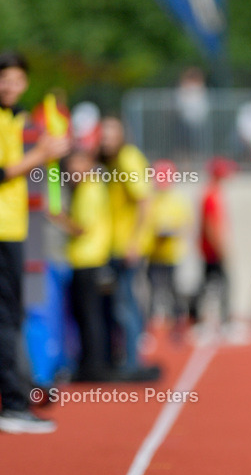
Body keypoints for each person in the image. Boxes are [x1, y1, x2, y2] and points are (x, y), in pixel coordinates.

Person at [0, 51, 69, 433]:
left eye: (16, 79)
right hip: (4, 230)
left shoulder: (17, 117)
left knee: (12, 316)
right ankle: (12, 404)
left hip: (14, 228)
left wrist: (46, 145)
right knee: (7, 319)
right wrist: (40, 154)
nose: (10, 85)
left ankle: (16, 396)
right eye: (3, 78)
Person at [98, 116, 159, 380]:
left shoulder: (127, 158)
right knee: (123, 303)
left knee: (126, 305)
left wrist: (134, 242)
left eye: (111, 134)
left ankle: (132, 362)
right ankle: (128, 358)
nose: (106, 139)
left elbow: (144, 201)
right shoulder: (114, 160)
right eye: (103, 134)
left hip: (126, 246)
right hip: (117, 244)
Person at [51, 149, 112, 381]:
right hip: (86, 259)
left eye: (78, 162)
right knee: (86, 315)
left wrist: (58, 217)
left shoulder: (89, 189)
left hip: (88, 259)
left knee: (89, 316)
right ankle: (90, 363)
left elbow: (81, 228)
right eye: (70, 164)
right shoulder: (88, 187)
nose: (72, 169)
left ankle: (92, 366)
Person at [147, 160, 193, 332]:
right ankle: (152, 327)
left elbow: (185, 225)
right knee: (153, 292)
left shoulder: (178, 200)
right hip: (154, 254)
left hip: (172, 255)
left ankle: (179, 323)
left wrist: (171, 231)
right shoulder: (151, 199)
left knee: (174, 291)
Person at [189, 157, 232, 330]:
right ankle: (222, 319)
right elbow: (210, 225)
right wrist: (220, 249)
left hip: (209, 248)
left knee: (207, 282)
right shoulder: (211, 196)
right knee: (222, 283)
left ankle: (197, 315)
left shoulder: (211, 194)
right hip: (212, 250)